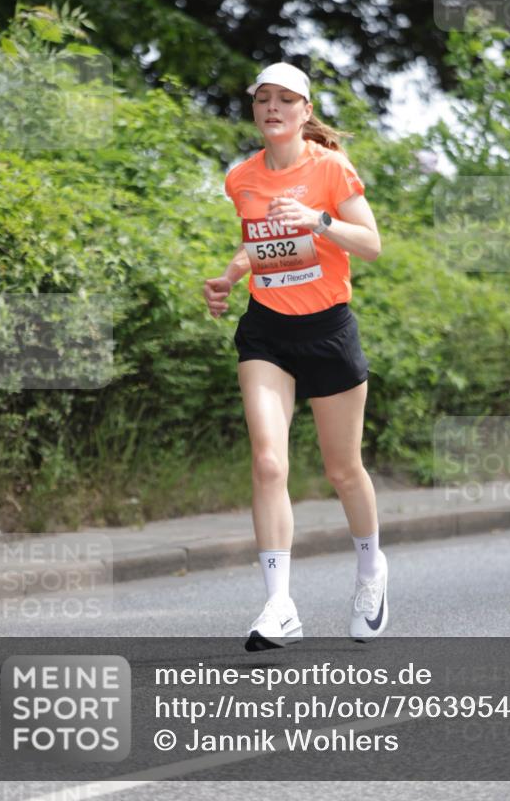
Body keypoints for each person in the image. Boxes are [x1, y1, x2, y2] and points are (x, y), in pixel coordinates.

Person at [203, 62, 388, 651]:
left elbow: (372, 245)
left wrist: (320, 220)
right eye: (264, 100)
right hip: (266, 333)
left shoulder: (330, 168)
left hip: (328, 331)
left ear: (306, 111)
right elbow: (257, 240)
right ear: (255, 110)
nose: (274, 108)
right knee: (268, 463)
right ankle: (279, 605)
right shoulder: (243, 178)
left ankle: (370, 574)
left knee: (342, 470)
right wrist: (231, 274)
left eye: (287, 99)